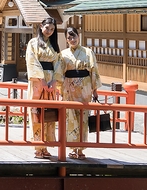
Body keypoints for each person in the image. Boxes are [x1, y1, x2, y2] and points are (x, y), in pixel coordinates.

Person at [60, 27, 101, 160]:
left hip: (85, 87)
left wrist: (95, 89)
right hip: (69, 87)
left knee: (83, 118)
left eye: (74, 36)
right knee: (70, 117)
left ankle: (81, 148)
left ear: (79, 36)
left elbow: (94, 71)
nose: (72, 40)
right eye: (69, 37)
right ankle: (72, 147)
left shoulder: (88, 52)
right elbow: (60, 73)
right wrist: (59, 90)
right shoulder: (63, 54)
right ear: (66, 39)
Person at [25, 17, 62, 159]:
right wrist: (41, 80)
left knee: (49, 114)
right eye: (47, 28)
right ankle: (38, 147)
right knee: (36, 113)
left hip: (51, 82)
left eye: (52, 29)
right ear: (41, 26)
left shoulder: (54, 46)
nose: (49, 31)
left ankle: (46, 145)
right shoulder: (33, 43)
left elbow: (58, 64)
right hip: (37, 83)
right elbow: (32, 62)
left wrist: (54, 81)